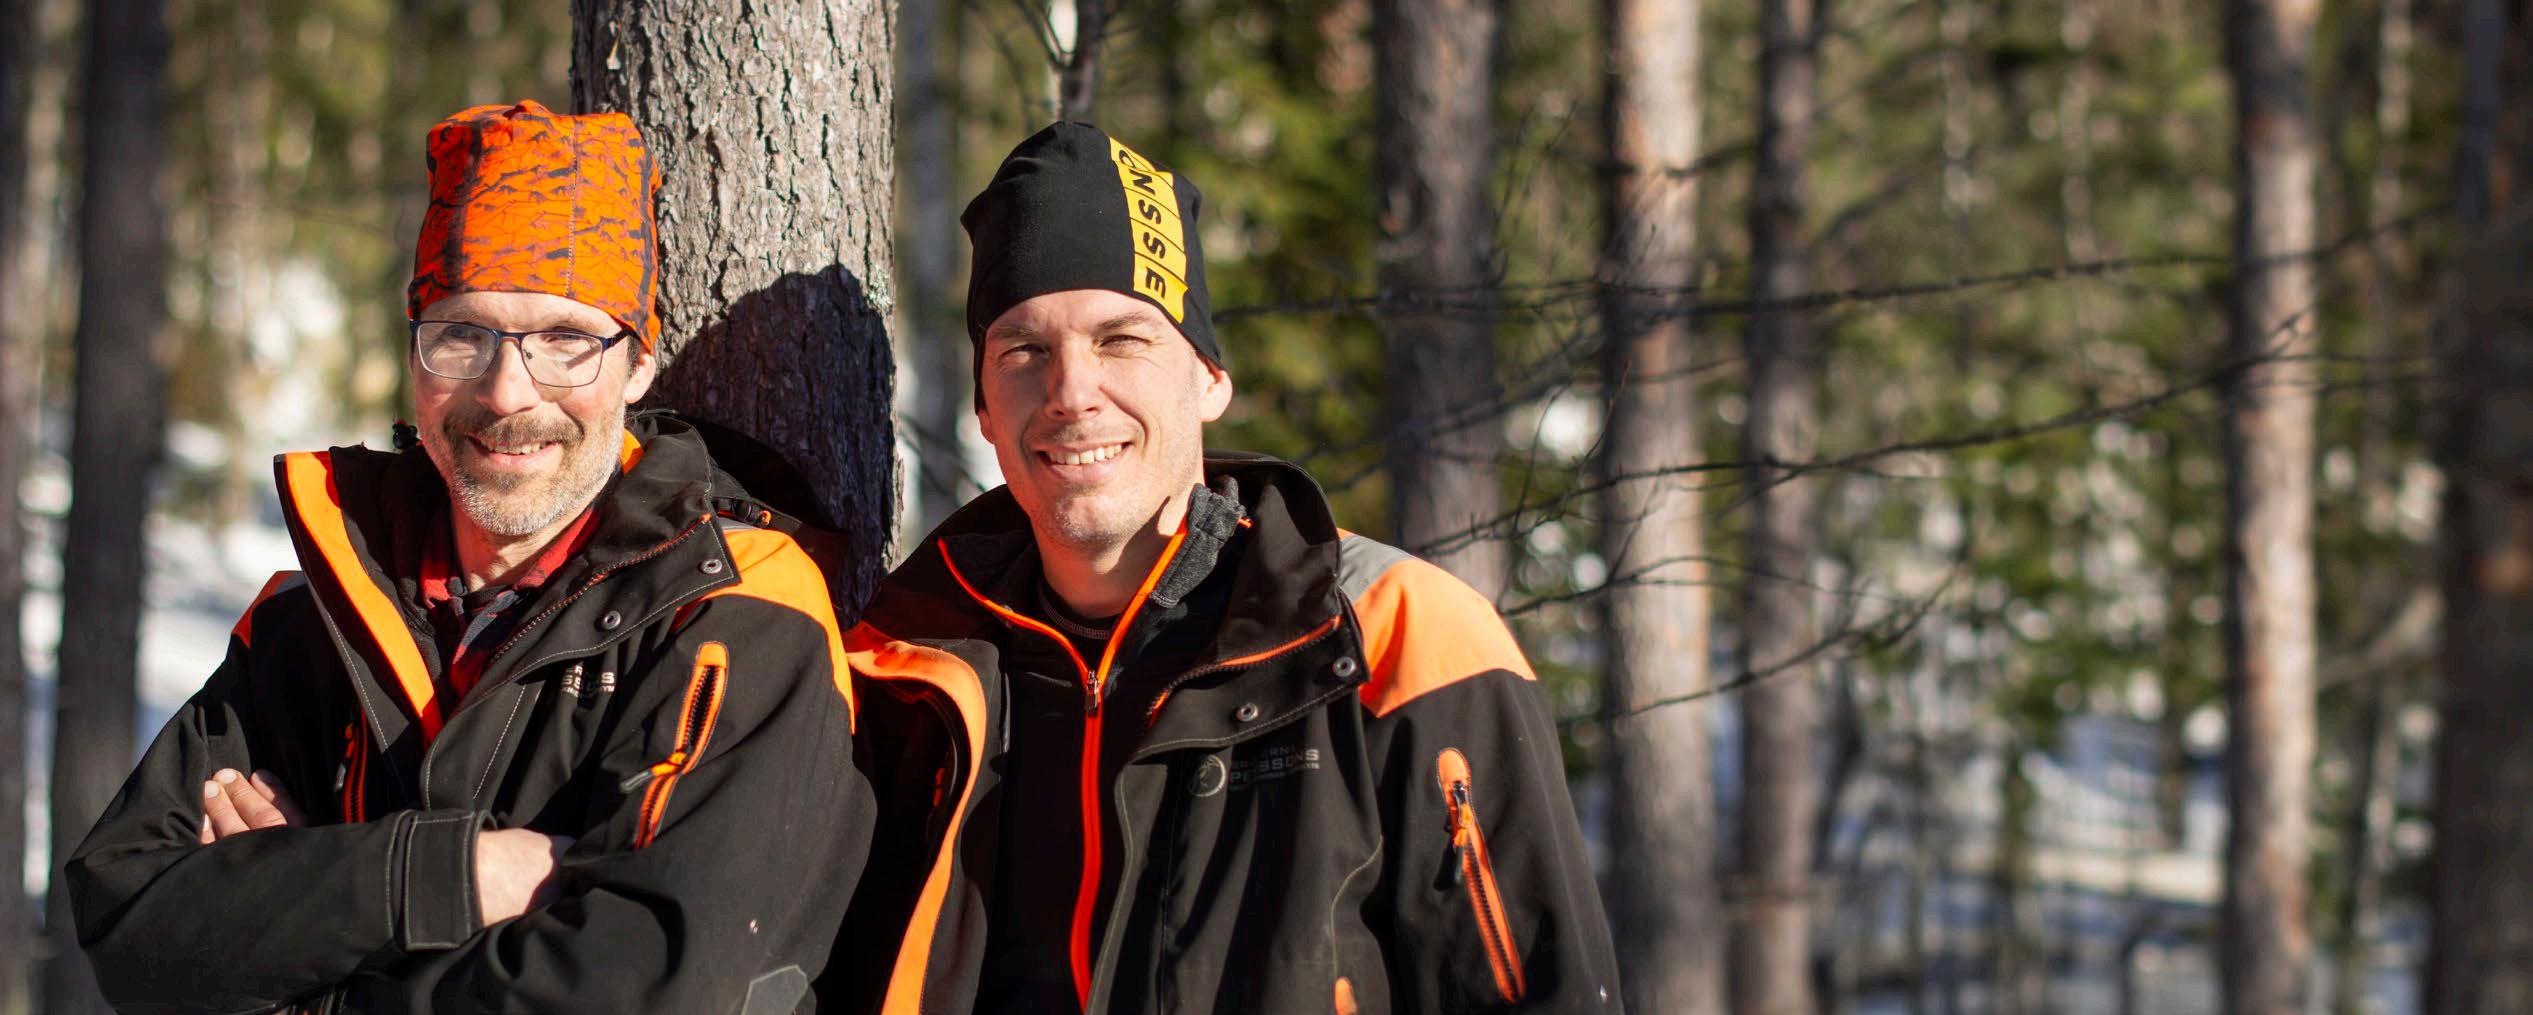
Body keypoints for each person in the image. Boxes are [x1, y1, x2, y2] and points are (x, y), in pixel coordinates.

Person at [66, 100, 870, 1014]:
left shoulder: (735, 609)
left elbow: (649, 986)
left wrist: (296, 929)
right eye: (462, 335)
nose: (506, 391)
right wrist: (462, 875)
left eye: (565, 340)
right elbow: (131, 923)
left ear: (640, 364)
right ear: (415, 354)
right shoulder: (315, 616)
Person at [844, 122, 1622, 1014]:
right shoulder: (903, 670)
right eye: (1024, 350)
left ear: (1208, 376)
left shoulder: (1391, 637)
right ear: (984, 405)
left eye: (1120, 339)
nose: (1070, 392)